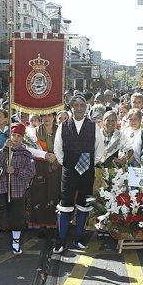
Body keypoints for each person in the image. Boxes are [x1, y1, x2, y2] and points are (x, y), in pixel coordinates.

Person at [53, 94, 105, 254]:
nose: (79, 108)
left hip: (87, 170)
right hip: (69, 169)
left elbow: (100, 149)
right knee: (65, 204)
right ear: (71, 107)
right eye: (75, 105)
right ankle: (61, 240)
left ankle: (79, 237)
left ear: (86, 107)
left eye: (82, 105)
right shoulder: (63, 126)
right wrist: (68, 163)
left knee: (84, 204)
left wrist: (89, 162)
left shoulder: (93, 126)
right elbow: (58, 149)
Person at [0, 123, 36, 254]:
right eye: (14, 135)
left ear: (22, 138)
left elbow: (31, 172)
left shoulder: (26, 153)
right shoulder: (5, 150)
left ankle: (16, 243)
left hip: (17, 189)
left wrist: (15, 171)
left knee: (17, 216)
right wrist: (5, 149)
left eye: (18, 136)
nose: (16, 138)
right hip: (3, 187)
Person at [27, 111, 61, 230]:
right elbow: (29, 149)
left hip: (56, 166)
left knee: (54, 193)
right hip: (40, 166)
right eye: (44, 116)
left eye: (49, 115)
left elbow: (65, 146)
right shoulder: (33, 132)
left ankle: (53, 224)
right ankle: (40, 224)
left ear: (54, 117)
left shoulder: (61, 130)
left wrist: (56, 156)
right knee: (39, 194)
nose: (47, 118)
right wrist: (44, 154)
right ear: (40, 117)